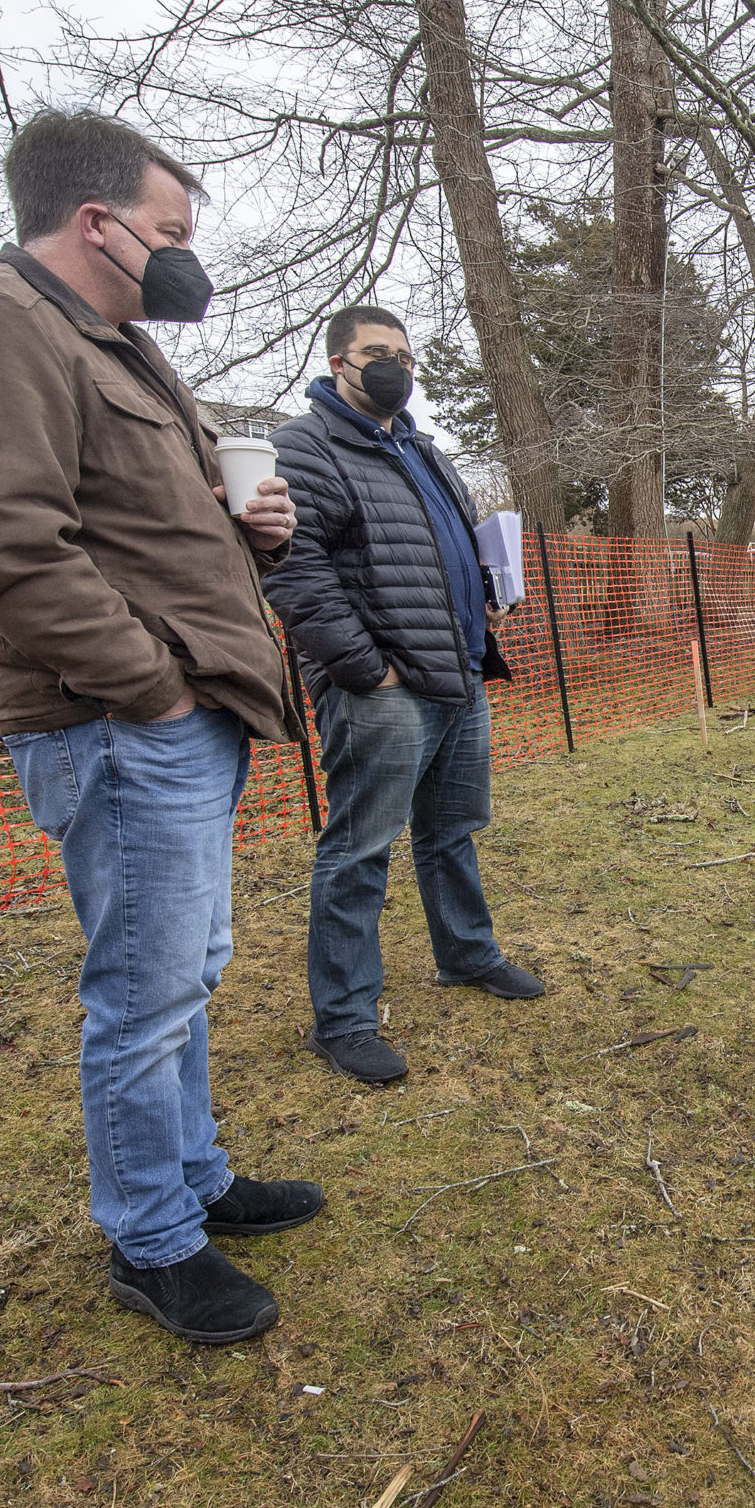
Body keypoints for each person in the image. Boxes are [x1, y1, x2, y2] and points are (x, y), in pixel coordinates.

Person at [0, 111, 324, 1346]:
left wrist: (249, 530)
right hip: (125, 720)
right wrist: (152, 685)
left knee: (182, 973)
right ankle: (152, 1239)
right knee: (141, 993)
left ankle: (195, 1178)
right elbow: (0, 544)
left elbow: (141, 523)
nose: (185, 255)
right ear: (97, 223)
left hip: (187, 715)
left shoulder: (119, 348)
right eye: (169, 230)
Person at [262, 305, 541, 1087]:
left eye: (407, 357)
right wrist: (364, 666)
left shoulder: (420, 446)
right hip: (382, 687)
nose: (396, 368)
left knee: (452, 829)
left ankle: (467, 953)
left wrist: (487, 587)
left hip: (457, 669)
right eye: (378, 353)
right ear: (338, 362)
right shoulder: (305, 447)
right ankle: (345, 1016)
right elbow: (292, 568)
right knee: (360, 849)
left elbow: (444, 542)